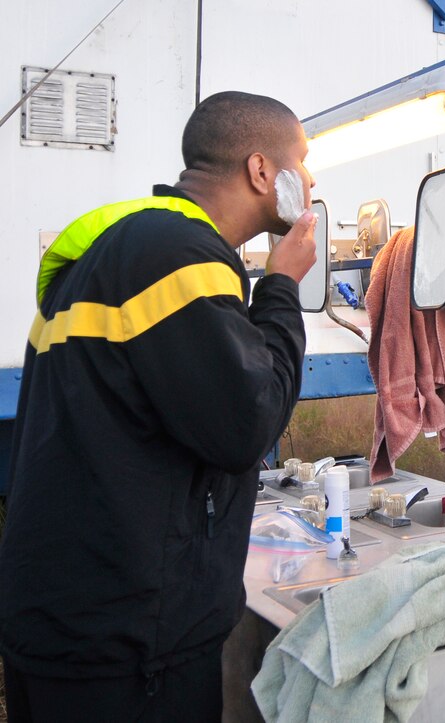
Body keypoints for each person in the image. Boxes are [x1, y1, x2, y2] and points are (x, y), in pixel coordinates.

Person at [0, 91, 317, 721]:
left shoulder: (115, 249)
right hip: (128, 648)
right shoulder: (179, 256)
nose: (311, 179)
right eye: (303, 162)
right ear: (261, 172)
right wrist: (280, 286)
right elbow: (246, 422)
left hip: (68, 625)